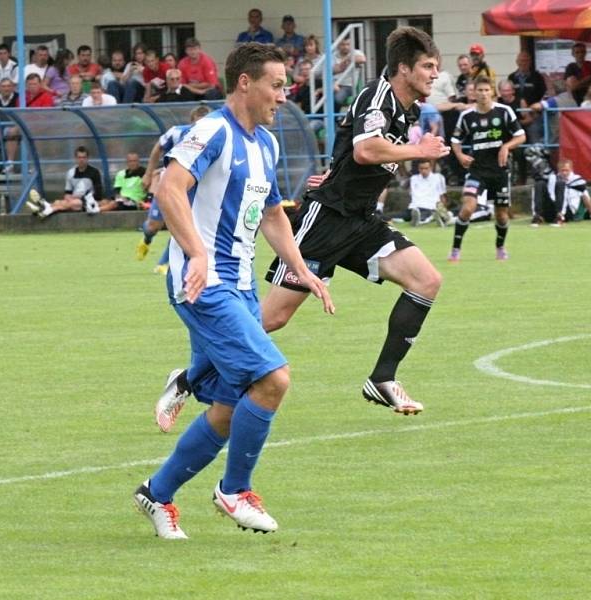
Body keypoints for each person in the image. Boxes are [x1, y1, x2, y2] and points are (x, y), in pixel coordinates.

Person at [156, 26, 451, 435]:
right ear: (403, 68)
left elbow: (351, 149)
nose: (434, 75)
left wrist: (339, 170)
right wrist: (419, 150)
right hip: (327, 221)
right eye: (428, 66)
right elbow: (366, 149)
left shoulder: (407, 109)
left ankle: (382, 379)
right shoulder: (377, 96)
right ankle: (187, 378)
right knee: (270, 320)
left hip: (362, 220)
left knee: (427, 280)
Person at [132, 42, 333, 541]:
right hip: (204, 285)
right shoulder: (212, 130)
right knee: (273, 379)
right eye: (277, 84)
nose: (283, 96)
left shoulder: (266, 143)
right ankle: (235, 490)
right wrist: (197, 253)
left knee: (227, 409)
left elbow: (270, 215)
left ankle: (156, 493)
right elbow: (168, 188)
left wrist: (301, 269)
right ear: (246, 82)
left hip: (240, 286)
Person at [448, 75, 526, 262]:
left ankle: (500, 246)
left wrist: (506, 146)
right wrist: (459, 155)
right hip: (477, 171)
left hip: (499, 171)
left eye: (486, 90)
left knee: (501, 215)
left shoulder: (504, 112)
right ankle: (455, 250)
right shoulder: (467, 116)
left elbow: (521, 136)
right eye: (479, 90)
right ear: (474, 93)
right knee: (468, 208)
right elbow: (455, 140)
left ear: (492, 92)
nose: (483, 94)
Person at [136, 104, 212, 273]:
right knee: (153, 225)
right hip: (168, 187)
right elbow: (158, 148)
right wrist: (149, 174)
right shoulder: (177, 132)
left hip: (193, 191)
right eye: (198, 124)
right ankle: (147, 238)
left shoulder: (215, 138)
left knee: (183, 225)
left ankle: (164, 263)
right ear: (191, 123)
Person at [25, 146, 103, 217]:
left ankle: (46, 207)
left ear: (87, 158)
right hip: (73, 202)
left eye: (84, 157)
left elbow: (98, 195)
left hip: (89, 203)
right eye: (79, 157)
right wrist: (71, 198)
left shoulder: (94, 172)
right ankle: (45, 209)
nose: (81, 160)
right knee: (58, 202)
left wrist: (79, 198)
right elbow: (67, 194)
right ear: (75, 158)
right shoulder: (70, 172)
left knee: (76, 202)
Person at [546, 158, 591, 224]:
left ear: (571, 169)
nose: (564, 173)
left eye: (567, 170)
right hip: (555, 206)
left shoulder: (577, 180)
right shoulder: (554, 178)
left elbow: (585, 197)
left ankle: (560, 215)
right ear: (558, 170)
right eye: (562, 171)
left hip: (569, 209)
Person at [406, 159, 449, 226]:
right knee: (398, 216)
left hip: (430, 207)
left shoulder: (438, 177)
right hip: (414, 207)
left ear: (431, 168)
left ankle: (423, 219)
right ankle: (418, 219)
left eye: (426, 168)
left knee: (425, 216)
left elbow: (442, 196)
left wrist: (442, 209)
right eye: (421, 168)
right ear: (418, 169)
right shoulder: (413, 178)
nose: (423, 171)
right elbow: (412, 195)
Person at [332, 37, 367, 108]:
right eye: (342, 44)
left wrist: (347, 58)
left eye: (348, 44)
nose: (345, 47)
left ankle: (336, 118)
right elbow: (332, 70)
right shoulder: (334, 55)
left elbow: (362, 59)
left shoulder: (356, 52)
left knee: (337, 98)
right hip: (333, 84)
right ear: (338, 45)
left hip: (348, 86)